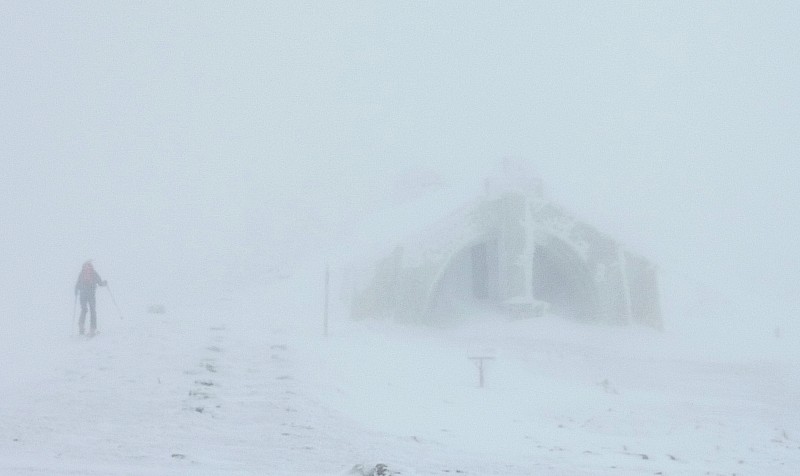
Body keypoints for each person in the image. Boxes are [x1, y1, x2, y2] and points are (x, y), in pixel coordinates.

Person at [74, 260, 107, 336]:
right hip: (91, 294)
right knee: (93, 311)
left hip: (83, 294)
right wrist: (105, 283)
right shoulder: (94, 273)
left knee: (84, 310)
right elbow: (100, 283)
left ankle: (81, 325)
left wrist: (76, 291)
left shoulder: (82, 273)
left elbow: (77, 284)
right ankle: (92, 329)